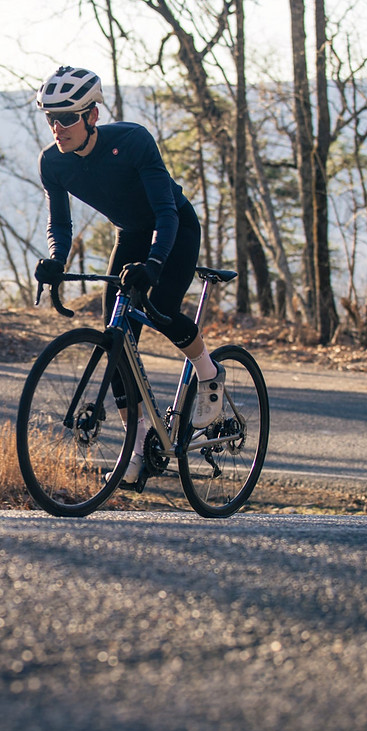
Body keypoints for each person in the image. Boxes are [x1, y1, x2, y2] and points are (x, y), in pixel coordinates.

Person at [31, 65, 225, 485]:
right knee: (116, 339)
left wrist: (154, 264)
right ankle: (136, 451)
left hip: (174, 227)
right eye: (50, 118)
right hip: (131, 234)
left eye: (66, 118)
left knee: (161, 308)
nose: (57, 128)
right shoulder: (53, 162)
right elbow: (60, 223)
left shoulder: (133, 141)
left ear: (92, 116)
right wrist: (56, 260)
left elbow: (166, 212)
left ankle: (210, 375)